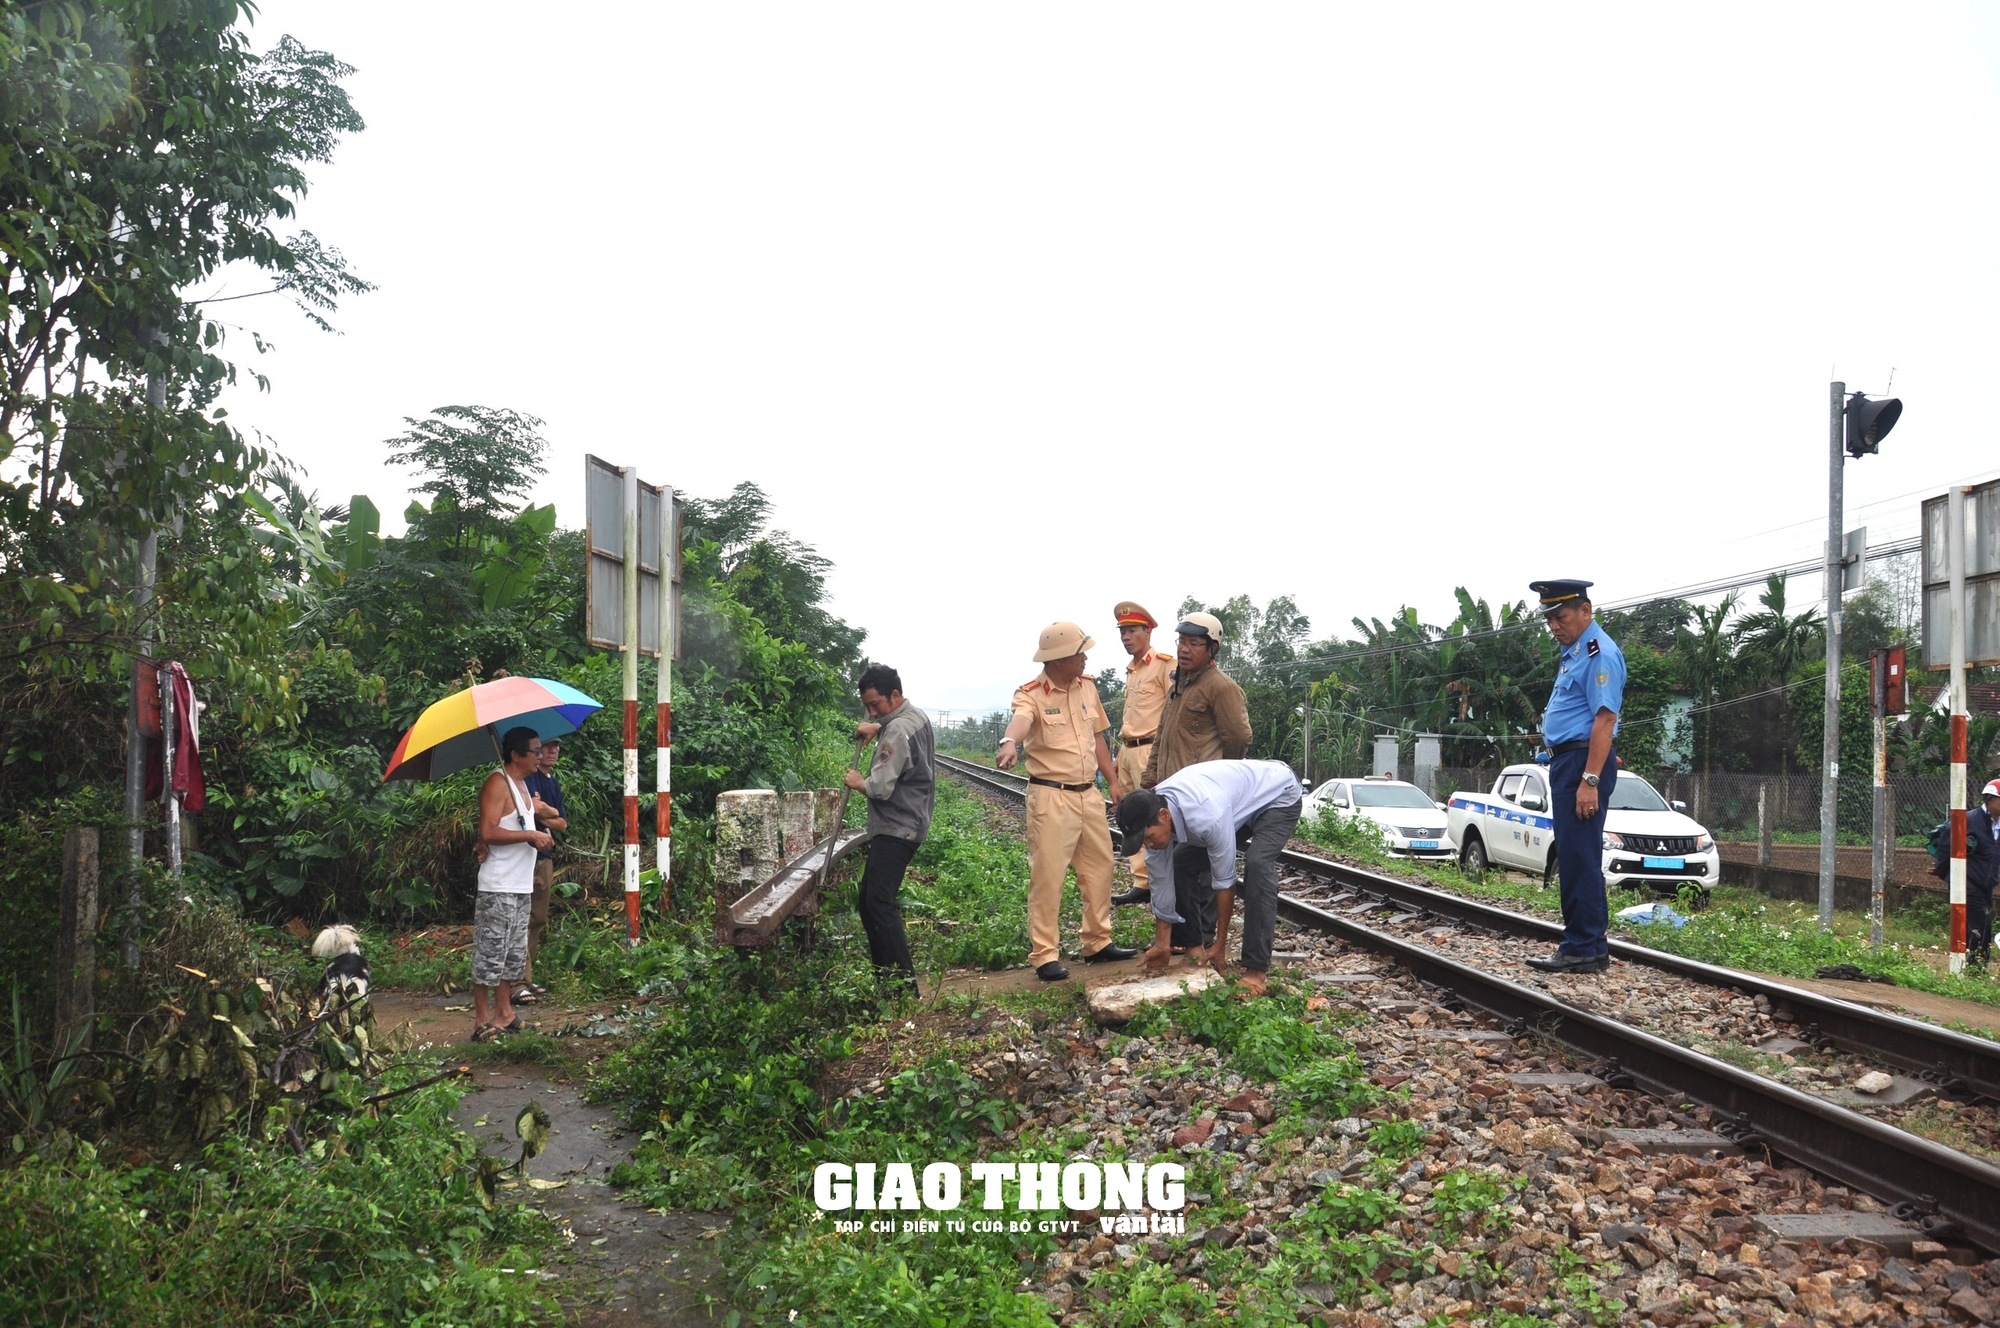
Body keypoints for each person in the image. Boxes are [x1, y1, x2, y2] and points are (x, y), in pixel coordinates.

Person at [997, 622, 1139, 980]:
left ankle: (1097, 942)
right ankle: (1044, 954)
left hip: (1088, 795)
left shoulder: (1086, 687)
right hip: (1051, 796)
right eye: (1080, 653)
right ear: (1060, 658)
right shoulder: (1030, 694)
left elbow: (1098, 738)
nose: (1085, 658)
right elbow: (1021, 721)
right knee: (1049, 876)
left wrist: (1113, 782)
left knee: (1100, 869)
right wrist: (1009, 742)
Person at [1115, 760, 1302, 999]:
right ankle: (1193, 950)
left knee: (1257, 864)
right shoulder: (1153, 809)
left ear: (1164, 815)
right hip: (1235, 801)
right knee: (1180, 862)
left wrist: (1219, 945)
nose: (1148, 845)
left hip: (1278, 795)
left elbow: (1224, 882)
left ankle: (1256, 971)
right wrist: (1163, 943)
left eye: (1149, 837)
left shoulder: (1207, 817)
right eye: (1143, 841)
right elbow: (1161, 885)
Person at [1141, 611, 1253, 955]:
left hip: (1200, 800)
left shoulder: (1221, 687)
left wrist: (1217, 780)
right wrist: (1149, 786)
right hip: (1169, 796)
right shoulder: (1181, 684)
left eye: (1194, 643)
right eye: (1181, 642)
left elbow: (1239, 738)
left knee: (1201, 874)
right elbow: (1162, 738)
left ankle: (1202, 938)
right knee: (1176, 869)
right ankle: (1182, 938)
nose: (1184, 649)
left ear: (1212, 648)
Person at [1527, 579, 1625, 974]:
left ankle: (1581, 947)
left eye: (1561, 617)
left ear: (1586, 610)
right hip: (1569, 763)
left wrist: (1590, 780)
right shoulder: (1576, 653)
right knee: (1576, 855)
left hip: (1583, 765)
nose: (1554, 626)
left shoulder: (1599, 654)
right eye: (1549, 619)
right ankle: (1591, 946)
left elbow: (1605, 720)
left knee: (1578, 856)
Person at [842, 664, 934, 989]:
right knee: (868, 902)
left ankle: (903, 988)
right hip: (909, 821)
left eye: (875, 705)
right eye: (867, 706)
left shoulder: (896, 731)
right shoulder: (915, 716)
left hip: (898, 826)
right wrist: (877, 725)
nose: (871, 712)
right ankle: (888, 982)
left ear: (894, 695)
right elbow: (894, 726)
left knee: (878, 904)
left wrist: (858, 781)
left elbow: (880, 787)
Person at [472, 726, 552, 1040]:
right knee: (490, 954)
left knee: (512, 955)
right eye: (535, 751)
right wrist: (529, 834)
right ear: (516, 754)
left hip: (520, 885)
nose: (540, 756)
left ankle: (504, 1013)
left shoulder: (522, 784)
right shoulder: (497, 782)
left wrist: (536, 834)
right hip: (499, 885)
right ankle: (481, 1021)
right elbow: (488, 831)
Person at [1109, 601, 1176, 908]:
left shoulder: (1164, 665)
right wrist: (1119, 756)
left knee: (1152, 814)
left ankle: (1161, 881)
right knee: (1129, 815)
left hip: (1150, 750)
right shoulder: (1132, 670)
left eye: (1132, 630)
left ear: (1148, 632)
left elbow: (1175, 710)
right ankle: (1141, 882)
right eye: (1122, 632)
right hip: (1127, 750)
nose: (1126, 637)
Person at [515, 736, 569, 1005]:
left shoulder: (552, 782)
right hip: (526, 854)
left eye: (555, 747)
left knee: (538, 917)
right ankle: (517, 980)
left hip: (545, 856)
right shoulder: (531, 777)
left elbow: (562, 824)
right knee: (522, 917)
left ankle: (526, 978)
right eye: (545, 747)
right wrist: (548, 812)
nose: (550, 751)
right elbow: (533, 809)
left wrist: (547, 811)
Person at [1965, 779, 2000, 967]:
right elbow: (1946, 843)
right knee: (1978, 927)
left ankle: (1974, 968)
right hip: (1970, 884)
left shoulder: (1998, 825)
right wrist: (1945, 871)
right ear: (1990, 799)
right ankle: (1974, 969)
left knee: (1983, 927)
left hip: (1987, 885)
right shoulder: (1970, 820)